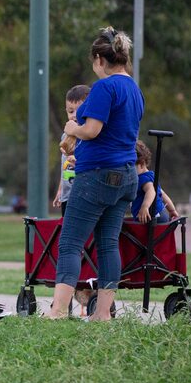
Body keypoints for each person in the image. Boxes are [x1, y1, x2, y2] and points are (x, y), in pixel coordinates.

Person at [48, 27, 144, 321]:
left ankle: (58, 312)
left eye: (93, 62)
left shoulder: (105, 87)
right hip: (126, 175)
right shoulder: (134, 88)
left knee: (70, 243)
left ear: (101, 60)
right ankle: (102, 314)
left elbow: (91, 130)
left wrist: (71, 128)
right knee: (107, 244)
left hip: (98, 176)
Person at [52, 84, 91, 216]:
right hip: (67, 195)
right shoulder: (66, 136)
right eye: (70, 111)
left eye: (79, 111)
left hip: (84, 195)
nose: (74, 116)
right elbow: (65, 167)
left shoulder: (88, 135)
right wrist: (60, 190)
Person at [131, 140, 179, 223]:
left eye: (131, 167)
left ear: (142, 164)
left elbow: (151, 191)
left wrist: (144, 207)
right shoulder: (152, 176)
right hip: (162, 214)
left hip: (151, 216)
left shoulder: (143, 178)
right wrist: (172, 210)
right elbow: (162, 194)